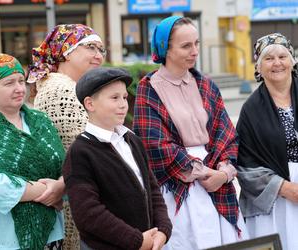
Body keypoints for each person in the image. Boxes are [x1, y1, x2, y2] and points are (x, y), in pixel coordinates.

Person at [132, 16, 249, 250]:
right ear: (165, 48)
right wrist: (202, 172)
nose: (194, 51)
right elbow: (154, 143)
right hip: (176, 188)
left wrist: (223, 173)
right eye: (186, 46)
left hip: (216, 180)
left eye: (196, 43)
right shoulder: (150, 87)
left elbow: (225, 134)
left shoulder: (205, 84)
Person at [62, 67, 172, 250]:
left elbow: (152, 189)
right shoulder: (80, 152)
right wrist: (136, 240)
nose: (123, 104)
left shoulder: (132, 140)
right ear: (90, 104)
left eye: (124, 97)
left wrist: (163, 229)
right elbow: (88, 213)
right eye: (114, 98)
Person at [27, 23, 106, 250]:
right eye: (90, 47)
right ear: (65, 51)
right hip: (76, 200)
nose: (98, 55)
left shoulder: (74, 87)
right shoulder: (59, 89)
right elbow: (94, 142)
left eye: (101, 50)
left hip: (80, 194)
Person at [236, 33, 298, 250]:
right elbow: (244, 164)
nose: (277, 63)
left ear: (292, 60)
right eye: (269, 58)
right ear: (259, 67)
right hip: (274, 200)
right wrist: (286, 188)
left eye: (282, 56)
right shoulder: (250, 110)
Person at [0, 53, 65, 250]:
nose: (19, 88)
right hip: (7, 238)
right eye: (9, 83)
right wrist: (48, 191)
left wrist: (62, 185)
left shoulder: (40, 121)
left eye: (21, 80)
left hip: (53, 232)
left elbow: (65, 164)